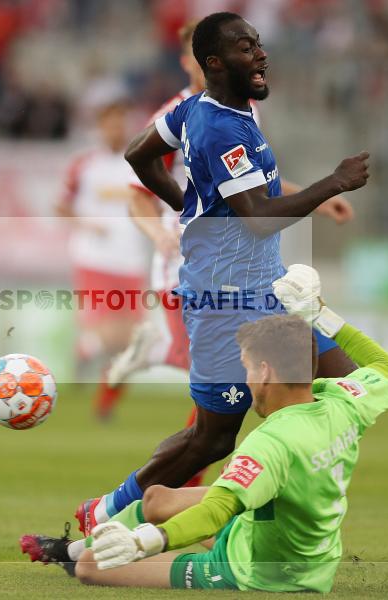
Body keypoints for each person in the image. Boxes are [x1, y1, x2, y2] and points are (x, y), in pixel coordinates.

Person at [74, 12, 370, 536]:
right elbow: (257, 217)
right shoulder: (216, 127)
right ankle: (107, 511)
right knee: (210, 441)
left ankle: (278, 496)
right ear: (213, 62)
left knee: (348, 383)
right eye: (245, 48)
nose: (260, 54)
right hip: (223, 304)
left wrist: (188, 205)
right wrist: (334, 181)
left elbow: (139, 153)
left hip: (265, 291)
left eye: (257, 44)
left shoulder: (202, 109)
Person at [21, 264, 388, 593]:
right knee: (154, 499)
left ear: (266, 371)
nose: (246, 380)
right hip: (292, 541)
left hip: (259, 570)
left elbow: (217, 511)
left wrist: (143, 542)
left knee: (92, 567)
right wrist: (320, 315)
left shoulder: (272, 441)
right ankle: (70, 549)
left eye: (248, 368)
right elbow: (387, 368)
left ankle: (80, 555)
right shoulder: (345, 400)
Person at [102, 19, 355, 415]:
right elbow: (139, 191)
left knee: (233, 387)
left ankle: (161, 355)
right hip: (195, 254)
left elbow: (251, 183)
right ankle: (161, 354)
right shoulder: (181, 113)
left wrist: (318, 200)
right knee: (226, 386)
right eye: (193, 58)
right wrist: (165, 226)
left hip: (243, 256)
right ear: (192, 63)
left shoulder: (245, 107)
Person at [56, 90, 150, 406]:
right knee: (108, 330)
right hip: (94, 258)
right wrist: (87, 223)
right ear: (100, 127)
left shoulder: (139, 163)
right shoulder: (85, 165)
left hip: (131, 260)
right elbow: (61, 206)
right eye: (110, 124)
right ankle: (87, 353)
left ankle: (103, 393)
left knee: (129, 339)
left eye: (121, 123)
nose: (116, 129)